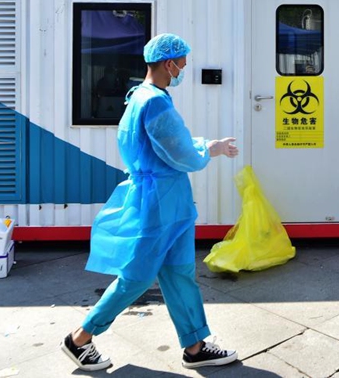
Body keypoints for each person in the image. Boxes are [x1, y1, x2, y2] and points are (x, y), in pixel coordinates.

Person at [61, 33, 239, 371]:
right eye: (182, 63)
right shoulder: (155, 101)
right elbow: (180, 152)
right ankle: (80, 337)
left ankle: (195, 344)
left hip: (167, 199)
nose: (184, 68)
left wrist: (205, 144)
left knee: (179, 271)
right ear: (168, 63)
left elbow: (168, 143)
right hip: (161, 200)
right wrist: (210, 149)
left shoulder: (140, 96)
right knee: (138, 276)